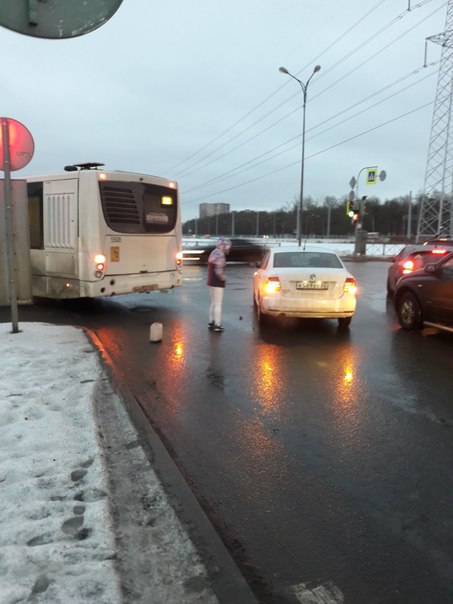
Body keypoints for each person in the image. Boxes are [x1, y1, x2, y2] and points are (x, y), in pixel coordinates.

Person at [207, 236, 231, 332]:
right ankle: (217, 324)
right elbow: (218, 271)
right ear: (224, 246)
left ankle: (211, 322)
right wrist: (224, 278)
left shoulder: (213, 252)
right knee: (218, 304)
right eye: (228, 247)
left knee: (213, 302)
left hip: (210, 281)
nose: (228, 249)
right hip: (217, 282)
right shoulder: (220, 255)